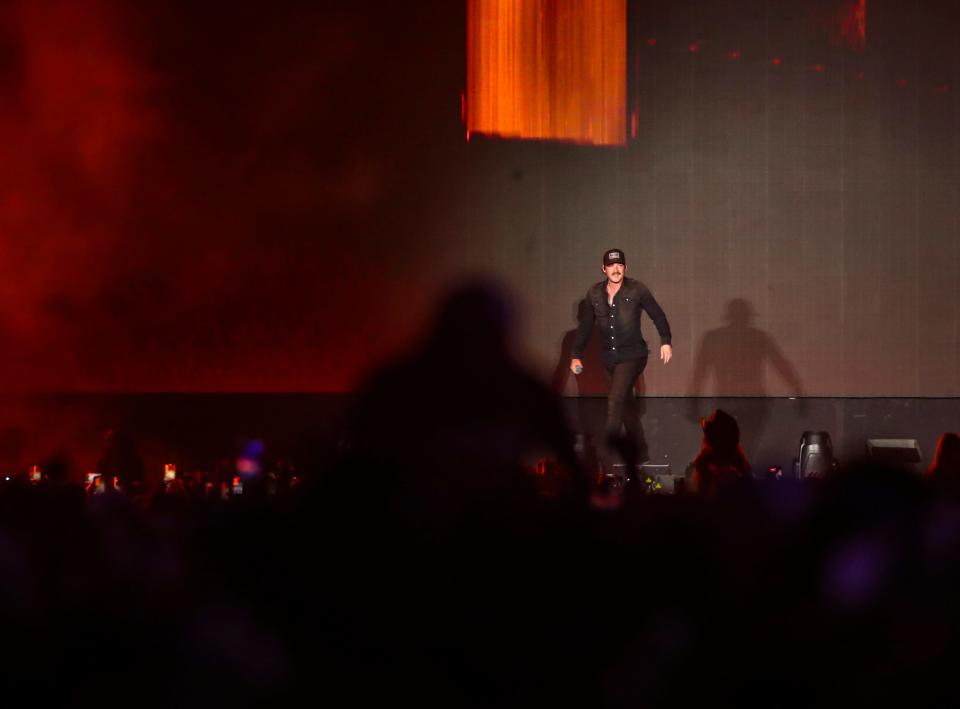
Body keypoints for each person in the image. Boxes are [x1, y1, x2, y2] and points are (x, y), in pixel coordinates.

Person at [570, 248, 672, 471]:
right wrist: (576, 354)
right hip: (609, 358)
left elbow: (658, 314)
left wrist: (665, 340)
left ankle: (604, 455)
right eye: (611, 265)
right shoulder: (595, 294)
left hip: (634, 355)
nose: (616, 269)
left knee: (615, 401)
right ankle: (642, 453)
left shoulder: (637, 289)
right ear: (604, 269)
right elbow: (586, 326)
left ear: (625, 268)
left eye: (620, 265)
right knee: (626, 408)